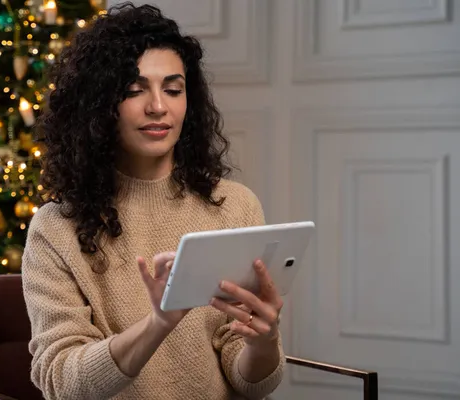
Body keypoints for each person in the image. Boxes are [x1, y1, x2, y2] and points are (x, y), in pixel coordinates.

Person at [21, 2, 285, 399]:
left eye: (173, 90)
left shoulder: (235, 205)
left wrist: (263, 342)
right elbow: (62, 383)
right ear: (98, 107)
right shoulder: (55, 228)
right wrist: (158, 323)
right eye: (134, 90)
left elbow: (253, 381)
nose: (158, 106)